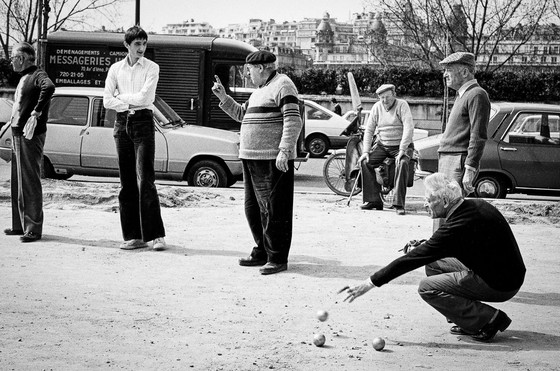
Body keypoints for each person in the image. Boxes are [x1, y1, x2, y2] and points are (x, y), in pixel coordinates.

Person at [340, 173, 526, 343]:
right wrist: (424, 247)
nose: (425, 204)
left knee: (426, 288)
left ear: (445, 201)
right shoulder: (474, 205)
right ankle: (466, 318)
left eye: (429, 200)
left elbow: (411, 260)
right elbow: (450, 245)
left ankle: (488, 320)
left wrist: (369, 283)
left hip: (501, 284)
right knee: (433, 264)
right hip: (505, 272)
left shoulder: (455, 227)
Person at [211, 50, 303, 275]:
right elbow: (243, 115)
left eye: (249, 69)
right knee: (253, 209)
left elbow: (293, 119)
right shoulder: (259, 91)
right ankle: (262, 250)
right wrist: (224, 97)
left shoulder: (283, 85)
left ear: (262, 68)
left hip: (271, 158)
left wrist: (284, 150)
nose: (247, 74)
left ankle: (277, 257)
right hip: (251, 156)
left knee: (274, 210)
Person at [103, 25, 166, 251]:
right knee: (126, 182)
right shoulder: (115, 69)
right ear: (127, 45)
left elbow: (146, 97)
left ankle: (156, 235)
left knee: (145, 179)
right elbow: (106, 100)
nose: (141, 48)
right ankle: (134, 236)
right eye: (137, 44)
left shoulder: (152, 68)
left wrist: (122, 98)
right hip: (121, 125)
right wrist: (129, 101)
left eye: (144, 44)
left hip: (143, 123)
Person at [4, 42, 55, 243]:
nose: (11, 61)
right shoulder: (25, 77)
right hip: (18, 133)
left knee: (29, 181)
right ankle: (20, 225)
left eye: (13, 58)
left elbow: (49, 87)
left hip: (30, 136)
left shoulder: (37, 75)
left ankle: (33, 228)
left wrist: (38, 111)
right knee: (18, 180)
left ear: (23, 58)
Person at [438, 52, 490, 195]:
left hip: (457, 160)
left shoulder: (477, 94)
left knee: (452, 207)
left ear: (465, 72)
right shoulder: (464, 94)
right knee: (445, 208)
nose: (445, 75)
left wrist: (470, 169)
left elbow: (478, 135)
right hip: (451, 158)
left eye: (448, 70)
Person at [357, 84, 414, 215]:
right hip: (383, 145)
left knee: (403, 163)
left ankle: (399, 203)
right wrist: (366, 151)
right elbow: (370, 129)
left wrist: (402, 150)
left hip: (401, 145)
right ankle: (374, 201)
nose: (384, 100)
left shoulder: (402, 105)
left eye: (387, 97)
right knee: (365, 162)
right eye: (382, 98)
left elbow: (408, 128)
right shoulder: (377, 107)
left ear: (394, 94)